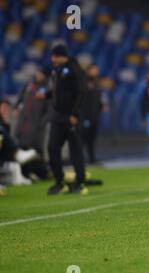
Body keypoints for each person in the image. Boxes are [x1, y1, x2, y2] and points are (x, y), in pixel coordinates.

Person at [41, 44, 87, 195]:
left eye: (54, 56)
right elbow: (58, 91)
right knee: (52, 147)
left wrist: (75, 114)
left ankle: (79, 182)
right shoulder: (57, 70)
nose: (52, 59)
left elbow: (80, 92)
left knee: (75, 150)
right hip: (58, 116)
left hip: (70, 116)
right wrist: (46, 95)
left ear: (62, 56)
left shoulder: (73, 68)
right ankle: (59, 181)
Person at [14, 67, 51, 180]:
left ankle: (41, 173)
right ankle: (25, 173)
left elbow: (49, 109)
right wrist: (16, 107)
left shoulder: (47, 89)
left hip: (36, 124)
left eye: (41, 73)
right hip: (23, 122)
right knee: (22, 147)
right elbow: (20, 98)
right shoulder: (29, 86)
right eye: (38, 73)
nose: (38, 75)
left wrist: (42, 123)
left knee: (35, 149)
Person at [0, 99, 38, 186]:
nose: (5, 111)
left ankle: (20, 176)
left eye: (7, 109)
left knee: (25, 148)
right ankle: (17, 153)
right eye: (3, 108)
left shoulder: (5, 123)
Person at [80, 64, 104, 165]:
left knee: (92, 138)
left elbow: (97, 98)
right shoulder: (84, 81)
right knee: (83, 138)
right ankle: (79, 158)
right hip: (85, 115)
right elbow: (83, 99)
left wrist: (101, 105)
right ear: (89, 70)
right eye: (95, 69)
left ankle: (92, 158)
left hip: (94, 115)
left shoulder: (96, 82)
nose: (97, 71)